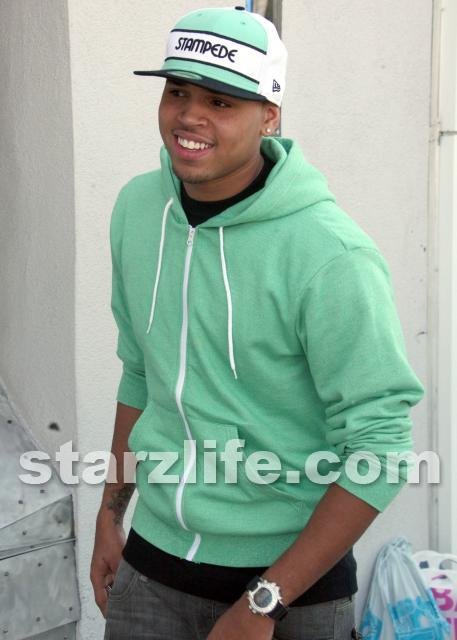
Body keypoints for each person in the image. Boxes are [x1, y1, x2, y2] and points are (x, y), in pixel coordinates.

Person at [90, 6, 424, 640]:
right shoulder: (138, 208)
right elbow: (139, 372)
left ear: (269, 115)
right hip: (152, 570)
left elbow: (380, 448)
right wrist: (110, 516)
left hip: (290, 589)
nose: (190, 116)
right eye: (177, 92)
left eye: (220, 101)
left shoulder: (329, 253)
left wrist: (263, 602)